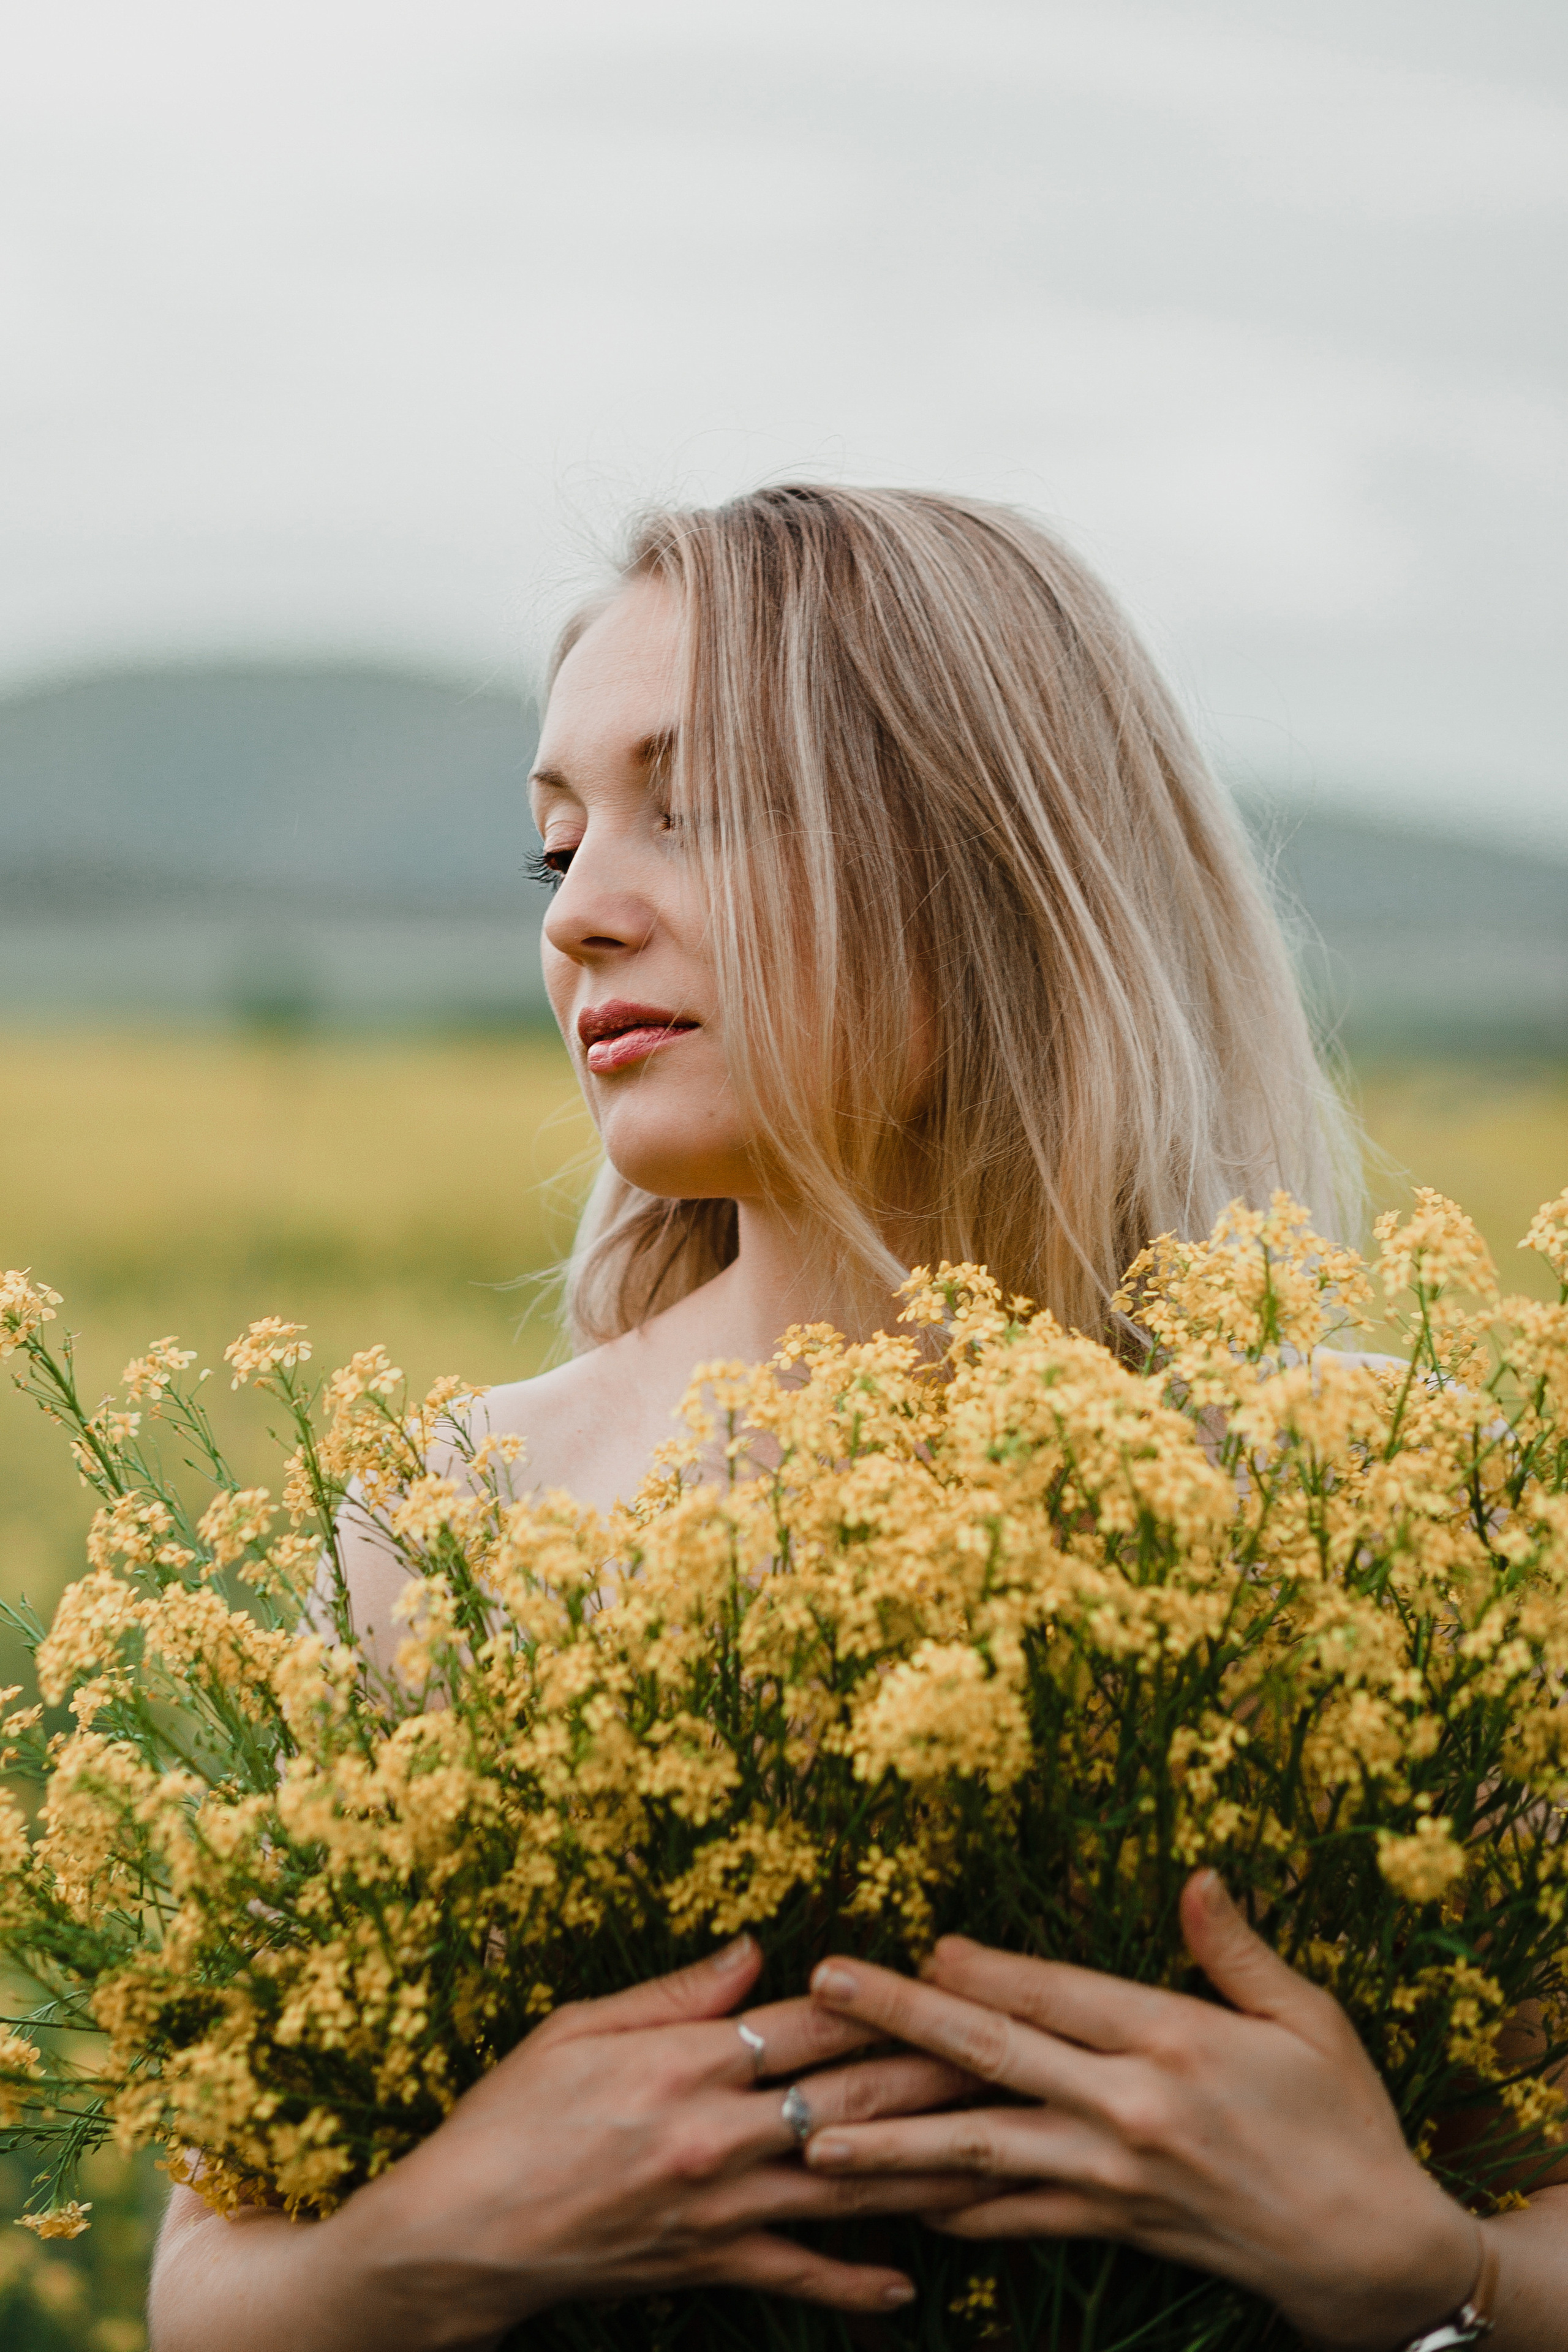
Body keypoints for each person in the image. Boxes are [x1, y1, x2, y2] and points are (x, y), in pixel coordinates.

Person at [149, 486, 1568, 2350]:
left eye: (699, 810)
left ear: (990, 853)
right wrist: (430, 2240)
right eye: (554, 847)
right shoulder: (463, 1515)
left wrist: (1424, 2268)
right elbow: (212, 2291)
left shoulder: (1393, 1499)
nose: (579, 916)